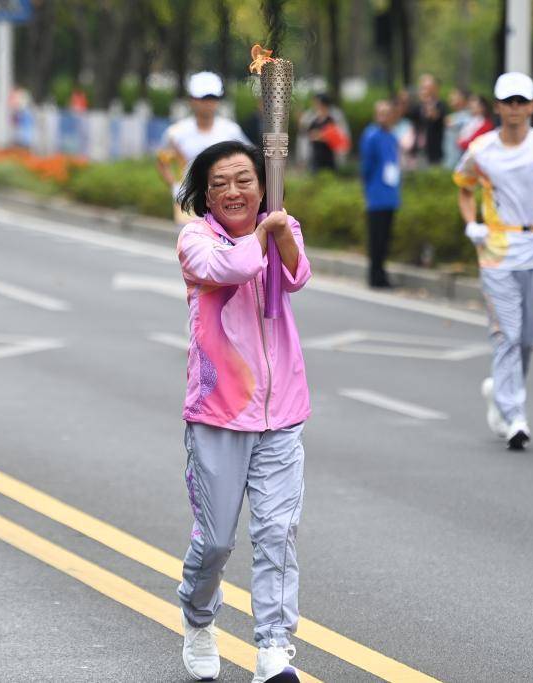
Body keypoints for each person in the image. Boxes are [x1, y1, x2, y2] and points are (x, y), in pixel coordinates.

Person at [174, 140, 310, 683]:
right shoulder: (195, 240)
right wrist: (263, 234)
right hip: (218, 413)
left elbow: (297, 277)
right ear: (206, 193)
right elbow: (229, 269)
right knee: (217, 541)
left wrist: (278, 232)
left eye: (244, 180)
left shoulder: (282, 228)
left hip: (283, 412)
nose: (233, 191)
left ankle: (273, 648)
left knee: (277, 531)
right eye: (220, 183)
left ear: (263, 184)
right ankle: (199, 616)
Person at [453, 72, 533, 450]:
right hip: (496, 251)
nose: (515, 109)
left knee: (525, 339)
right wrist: (472, 224)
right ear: (498, 106)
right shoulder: (481, 150)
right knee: (506, 333)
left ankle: (501, 393)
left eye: (522, 101)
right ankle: (514, 415)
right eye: (509, 102)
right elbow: (464, 189)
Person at [157, 72, 251, 226]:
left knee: (222, 246)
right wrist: (174, 186)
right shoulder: (176, 133)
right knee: (192, 245)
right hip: (189, 199)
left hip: (224, 199)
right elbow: (162, 162)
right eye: (203, 99)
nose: (208, 103)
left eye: (212, 99)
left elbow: (249, 161)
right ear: (192, 101)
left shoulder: (231, 131)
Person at [360, 100, 401, 288]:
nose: (384, 116)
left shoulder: (392, 136)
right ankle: (374, 275)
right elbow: (366, 167)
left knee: (386, 238)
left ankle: (381, 272)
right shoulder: (371, 135)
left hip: (390, 195)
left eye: (387, 113)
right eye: (381, 113)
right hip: (376, 194)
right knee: (376, 238)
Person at [306, 93, 349, 173]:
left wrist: (321, 136)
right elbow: (309, 133)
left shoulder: (333, 118)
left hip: (329, 156)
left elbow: (337, 136)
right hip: (316, 156)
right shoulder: (314, 119)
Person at [411, 73, 447, 166]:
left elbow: (434, 116)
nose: (424, 91)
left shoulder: (441, 105)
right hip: (418, 149)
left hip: (434, 151)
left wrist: (428, 102)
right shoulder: (417, 107)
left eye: (427, 88)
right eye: (422, 87)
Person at [443, 88, 472, 169]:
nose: (450, 98)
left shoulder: (469, 117)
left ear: (463, 99)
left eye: (454, 96)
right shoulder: (453, 116)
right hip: (450, 160)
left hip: (461, 162)